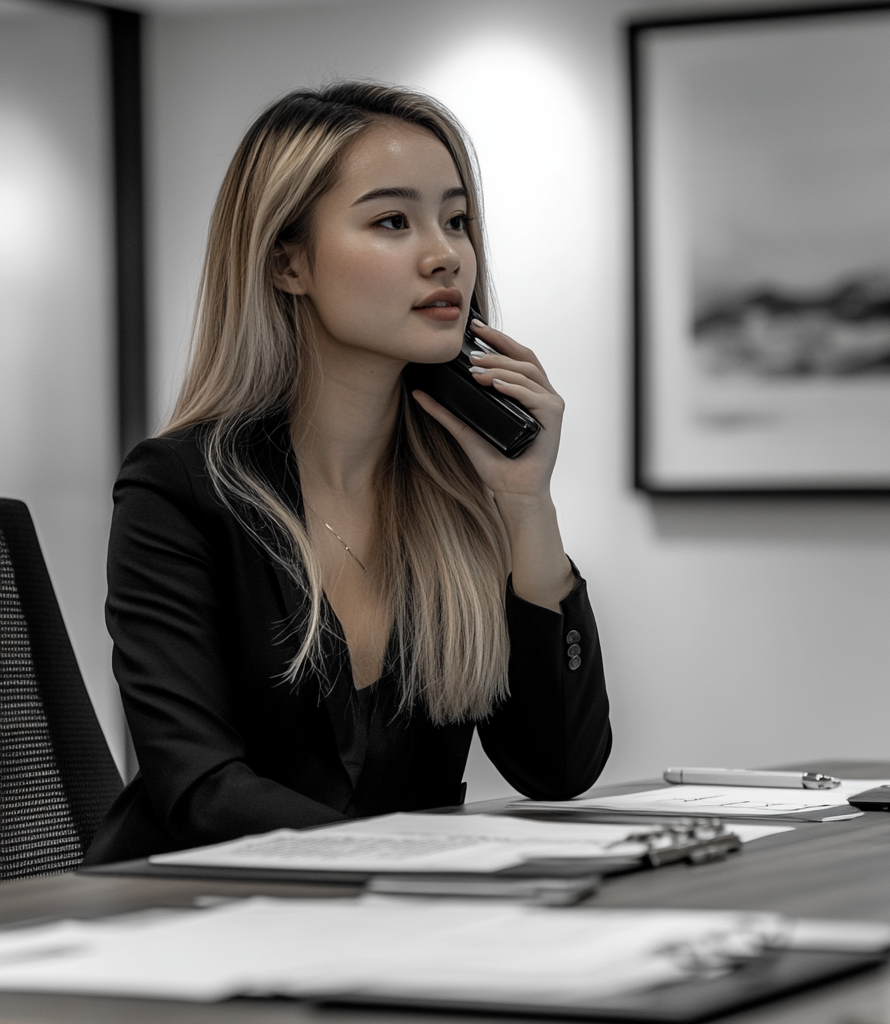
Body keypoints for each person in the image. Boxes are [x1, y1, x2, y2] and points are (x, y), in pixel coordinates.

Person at [85, 81, 612, 864]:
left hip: (398, 924)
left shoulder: (456, 492)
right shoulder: (180, 488)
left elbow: (558, 770)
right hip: (194, 923)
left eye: (457, 220)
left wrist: (525, 502)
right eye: (393, 221)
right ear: (287, 262)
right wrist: (416, 858)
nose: (445, 255)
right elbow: (198, 787)